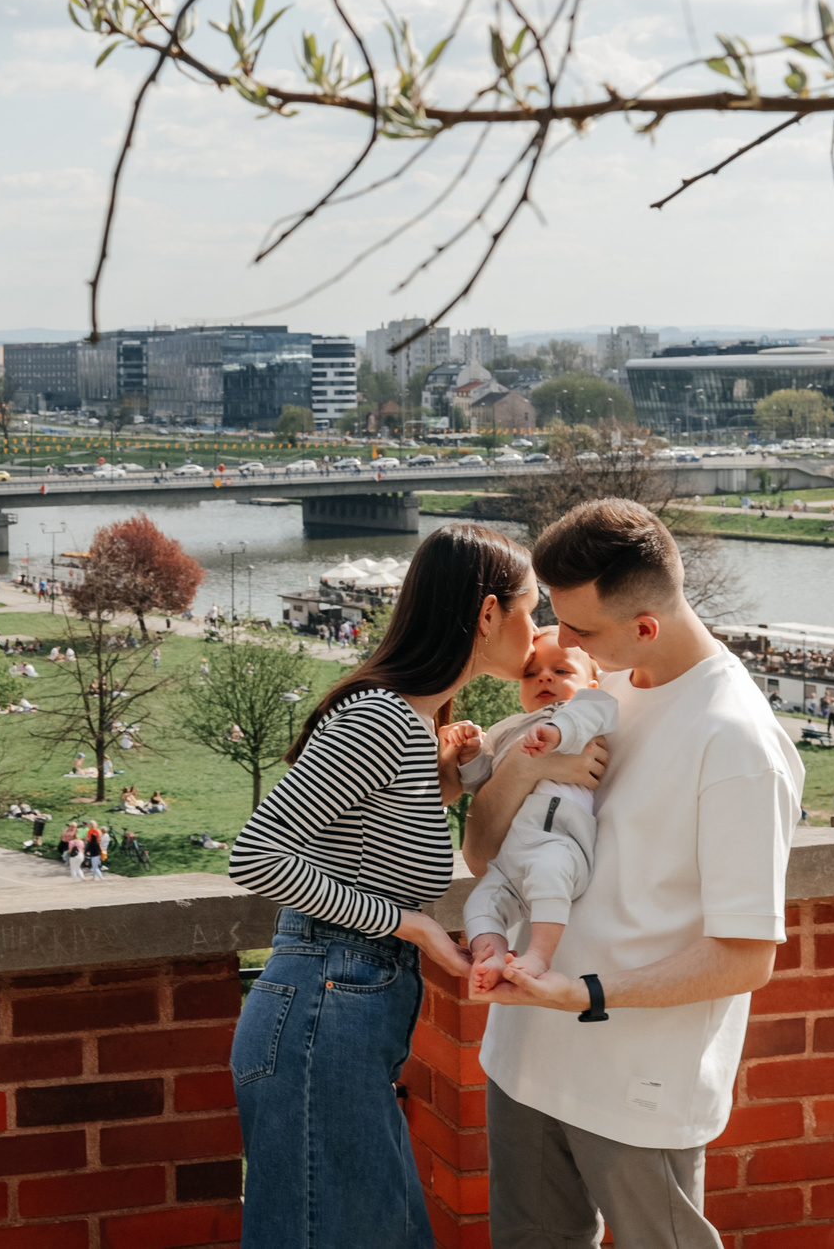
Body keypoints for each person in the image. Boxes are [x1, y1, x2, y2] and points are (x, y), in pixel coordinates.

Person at [229, 524, 606, 1248]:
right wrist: (416, 926)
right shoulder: (380, 717)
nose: (538, 635)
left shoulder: (413, 720)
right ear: (489, 614)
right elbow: (258, 854)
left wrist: (464, 775)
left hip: (345, 1007)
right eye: (530, 611)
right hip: (323, 1004)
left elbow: (374, 833)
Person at [463, 499, 802, 1249]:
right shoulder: (595, 696)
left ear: (643, 626)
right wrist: (522, 762)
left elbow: (747, 956)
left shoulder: (738, 742)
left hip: (637, 1088)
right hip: (524, 1057)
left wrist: (582, 992)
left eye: (578, 631)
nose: (557, 643)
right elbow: (486, 855)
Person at [462, 644, 621, 987]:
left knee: (549, 875)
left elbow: (593, 713)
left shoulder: (584, 706)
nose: (545, 677)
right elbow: (482, 785)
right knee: (481, 901)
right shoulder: (506, 729)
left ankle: (539, 955)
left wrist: (558, 732)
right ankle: (490, 953)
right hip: (509, 855)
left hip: (557, 841)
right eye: (531, 674)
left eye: (561, 671)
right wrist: (469, 755)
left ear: (591, 684)